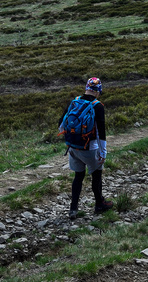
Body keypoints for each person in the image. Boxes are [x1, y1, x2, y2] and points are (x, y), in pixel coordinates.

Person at [59, 77, 114, 219]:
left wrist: (70, 139)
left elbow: (62, 123)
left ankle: (73, 209)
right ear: (99, 90)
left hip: (73, 147)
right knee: (96, 175)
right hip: (90, 148)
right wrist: (103, 152)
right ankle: (99, 204)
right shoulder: (97, 106)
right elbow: (101, 132)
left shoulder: (75, 101)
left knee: (78, 177)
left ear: (86, 88)